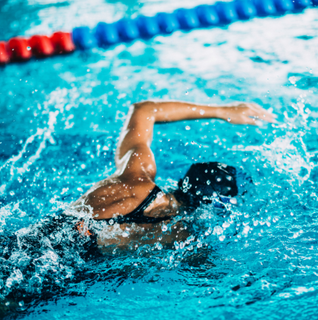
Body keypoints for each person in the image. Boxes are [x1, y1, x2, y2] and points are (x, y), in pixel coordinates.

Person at [66, 100, 276, 251]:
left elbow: (144, 109)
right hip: (62, 268)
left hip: (47, 234)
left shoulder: (138, 173)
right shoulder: (179, 236)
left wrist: (222, 111)